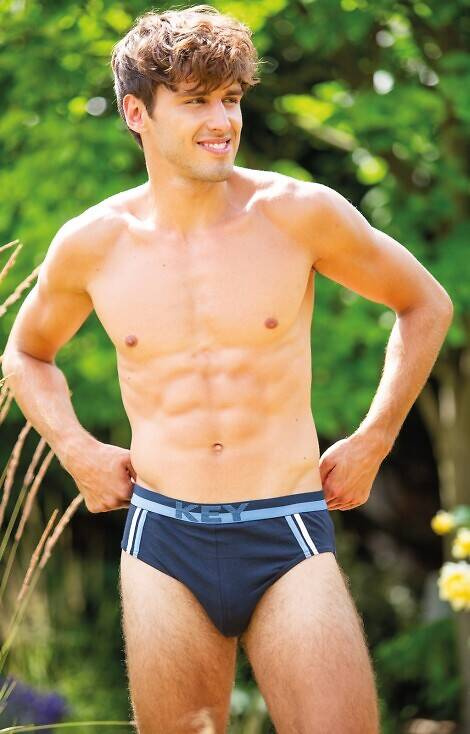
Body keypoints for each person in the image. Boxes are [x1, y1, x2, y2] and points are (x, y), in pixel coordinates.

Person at [2, 5, 453, 734]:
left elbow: (425, 303)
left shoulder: (297, 213)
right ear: (137, 113)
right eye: (196, 101)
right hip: (162, 539)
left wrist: (375, 438)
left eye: (232, 98)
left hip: (286, 529)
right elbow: (25, 353)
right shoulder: (94, 243)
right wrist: (77, 450)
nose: (223, 121)